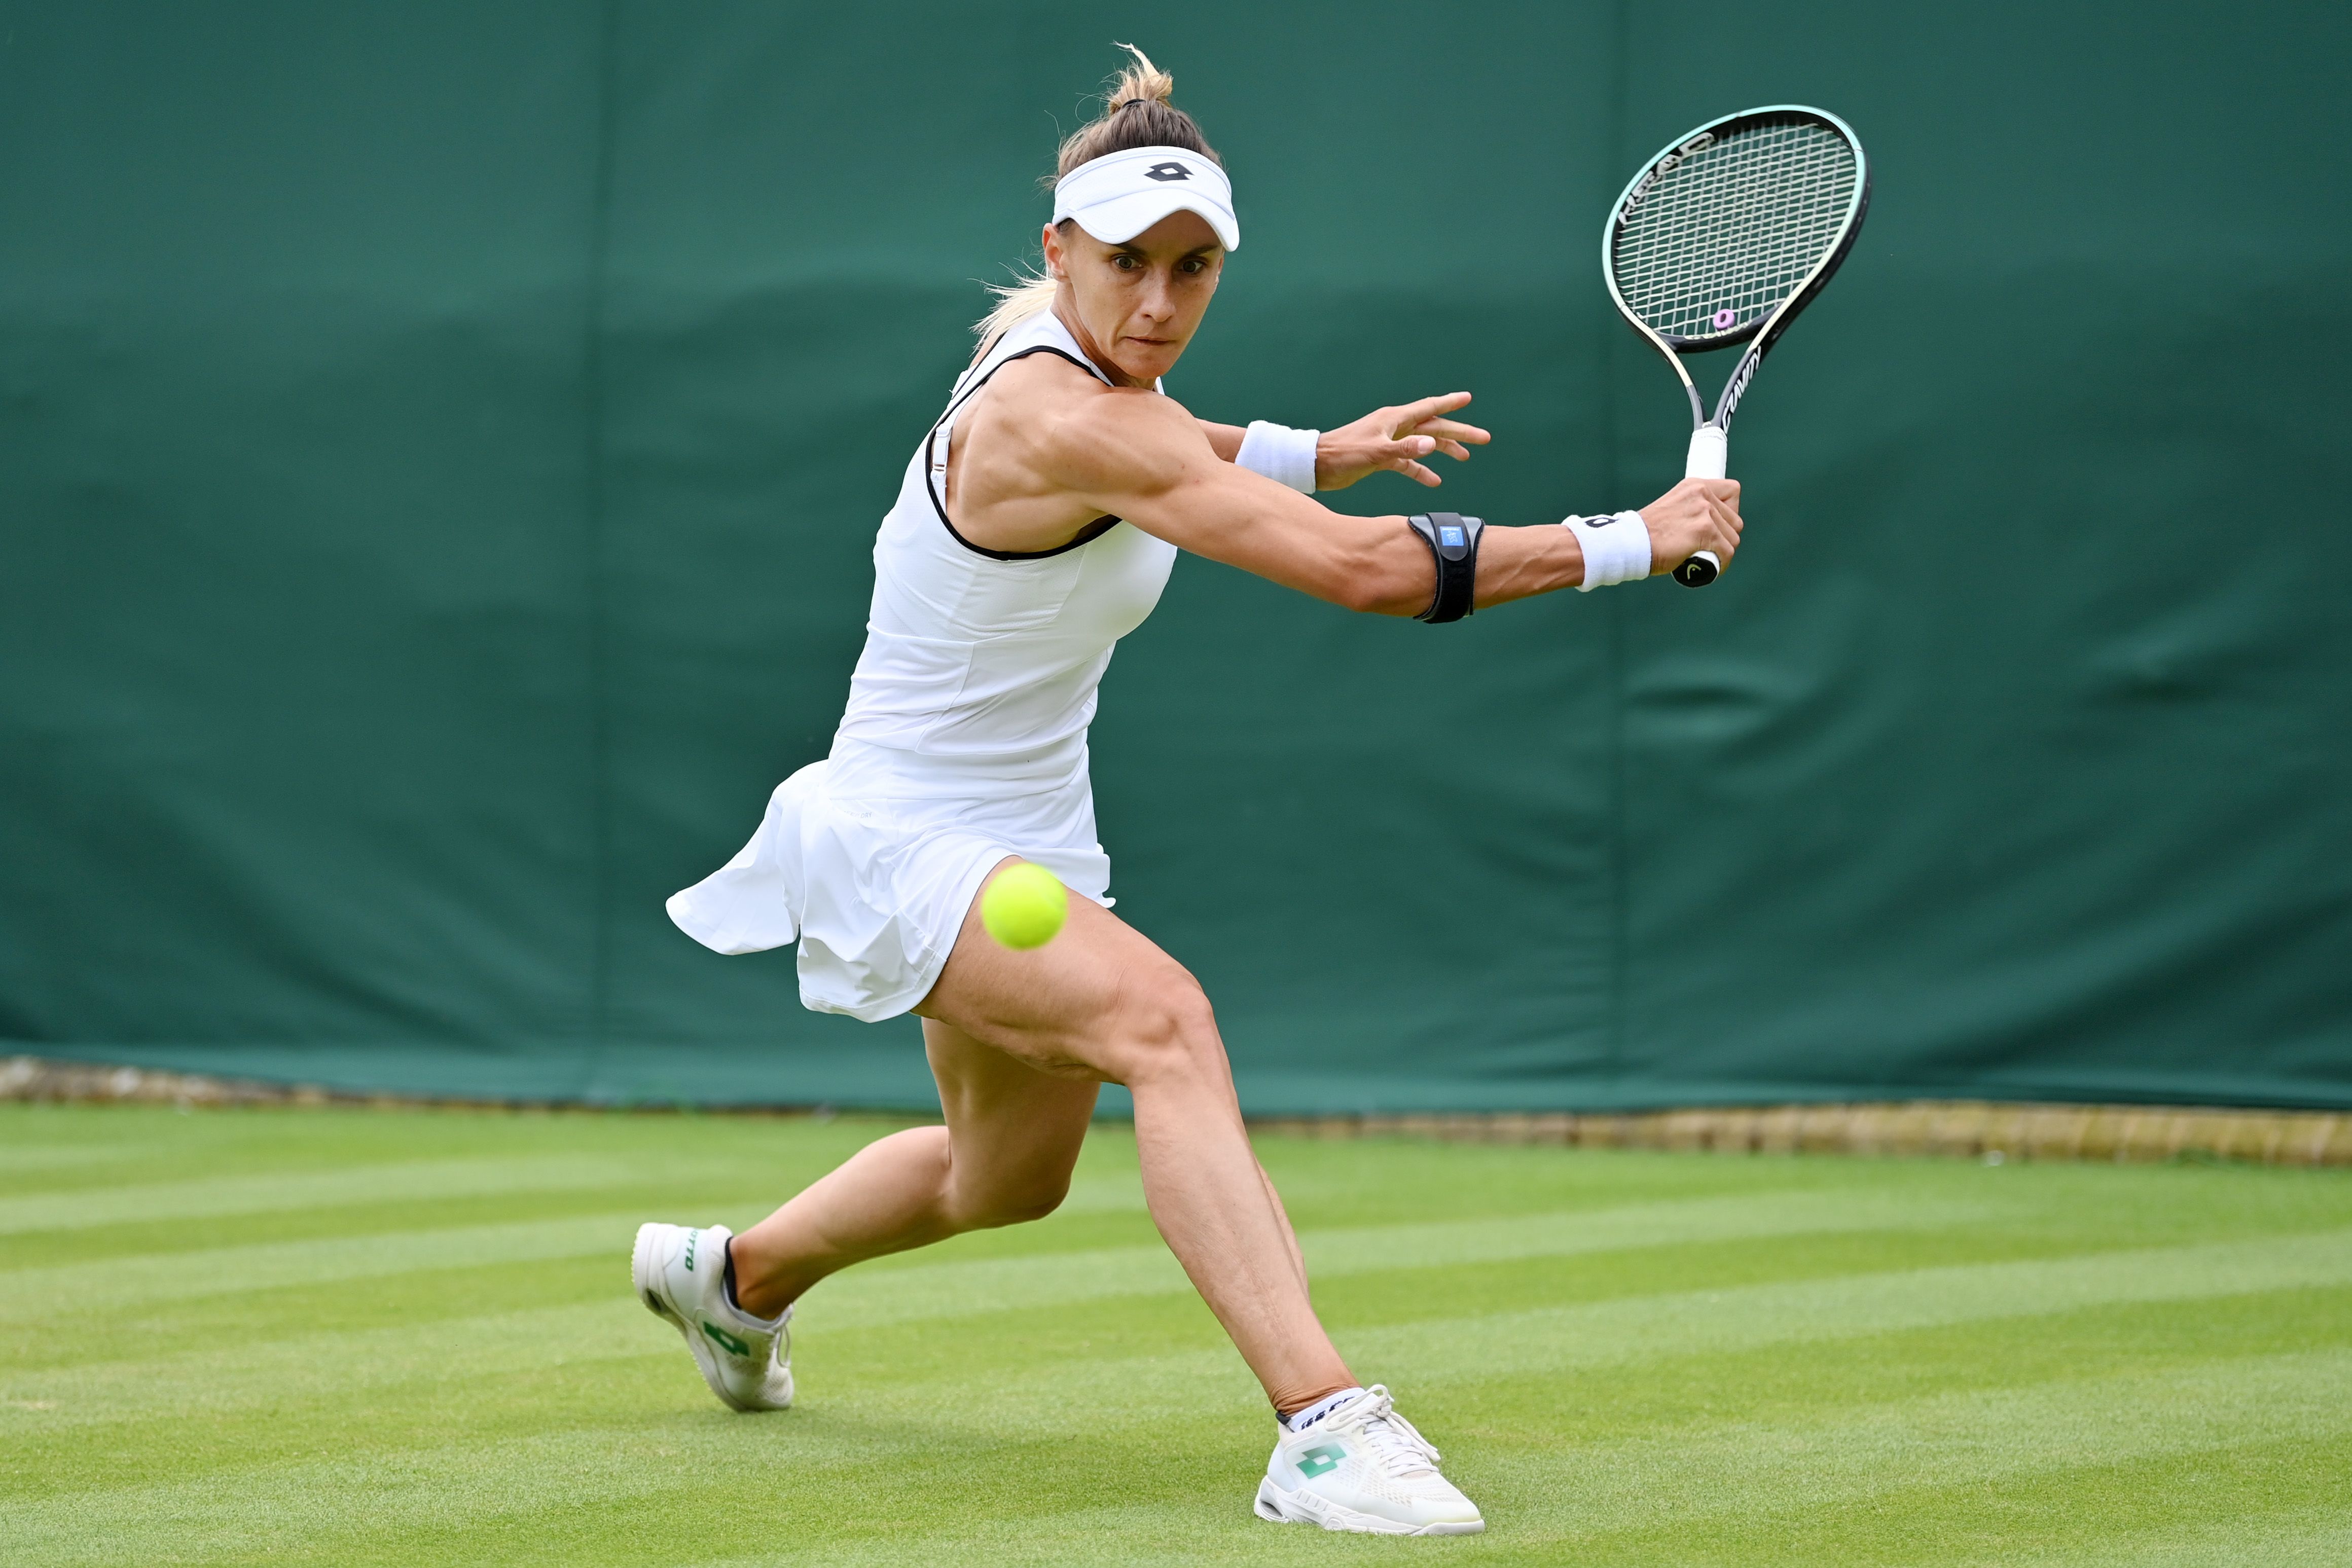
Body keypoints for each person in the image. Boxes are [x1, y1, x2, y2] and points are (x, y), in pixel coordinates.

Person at [633, 47, 1741, 1538]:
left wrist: (1309, 450)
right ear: (1060, 255)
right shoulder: (1055, 413)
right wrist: (1631, 536)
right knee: (1168, 1027)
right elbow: (1356, 572)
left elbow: (1183, 442)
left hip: (1024, 838)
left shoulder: (1086, 373)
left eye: (1194, 268)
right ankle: (1324, 1429)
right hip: (904, 839)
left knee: (1002, 1175)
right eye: (1128, 265)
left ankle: (733, 1283)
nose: (1158, 303)